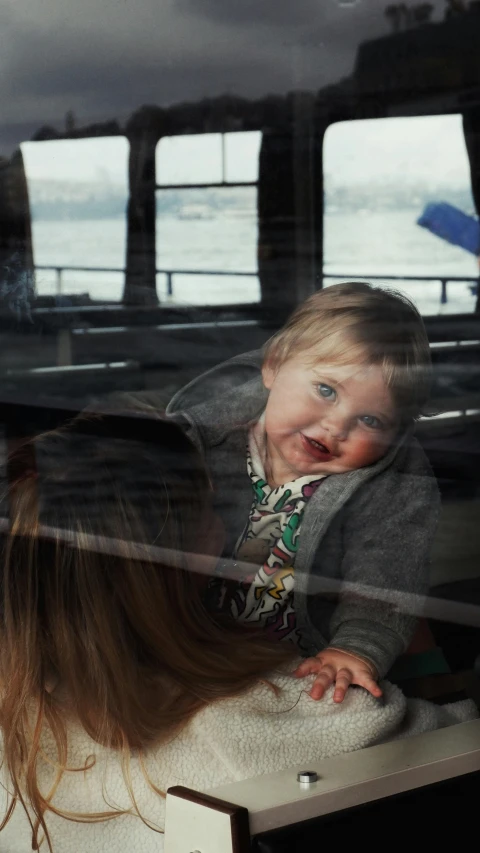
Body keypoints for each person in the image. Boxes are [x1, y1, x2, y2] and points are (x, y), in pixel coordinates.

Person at [0, 412, 475, 853]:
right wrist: (413, 644)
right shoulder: (263, 716)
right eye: (211, 505)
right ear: (173, 560)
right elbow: (453, 744)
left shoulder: (17, 714)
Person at [167, 282, 441, 703]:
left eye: (369, 419)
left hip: (307, 663)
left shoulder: (390, 483)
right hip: (189, 645)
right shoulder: (205, 442)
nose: (336, 426)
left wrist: (353, 650)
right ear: (273, 366)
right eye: (325, 390)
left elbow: (385, 584)